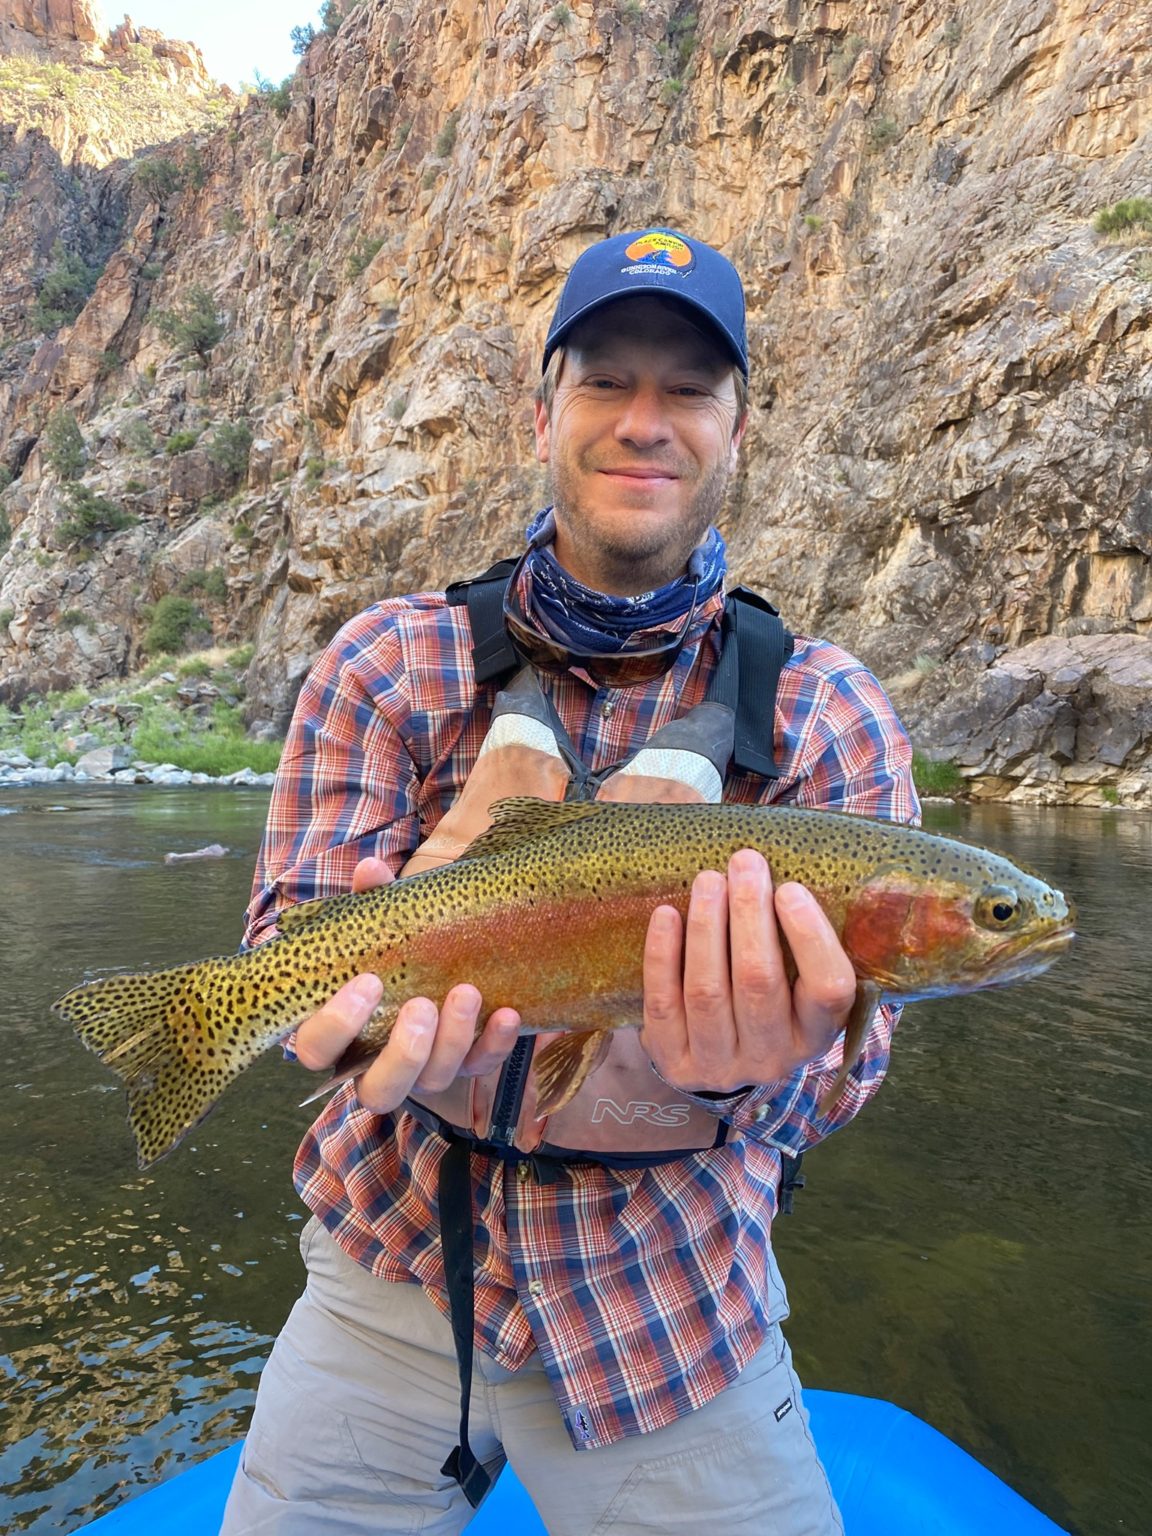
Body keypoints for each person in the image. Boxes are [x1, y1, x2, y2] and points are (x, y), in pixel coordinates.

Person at [220, 228, 919, 1536]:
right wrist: (342, 1007)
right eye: (606, 382)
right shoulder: (388, 666)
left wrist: (756, 1068)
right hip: (393, 1265)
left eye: (687, 391)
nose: (643, 423)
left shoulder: (830, 718)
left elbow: (850, 1082)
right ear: (542, 412)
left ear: (738, 428)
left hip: (676, 1303)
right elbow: (285, 954)